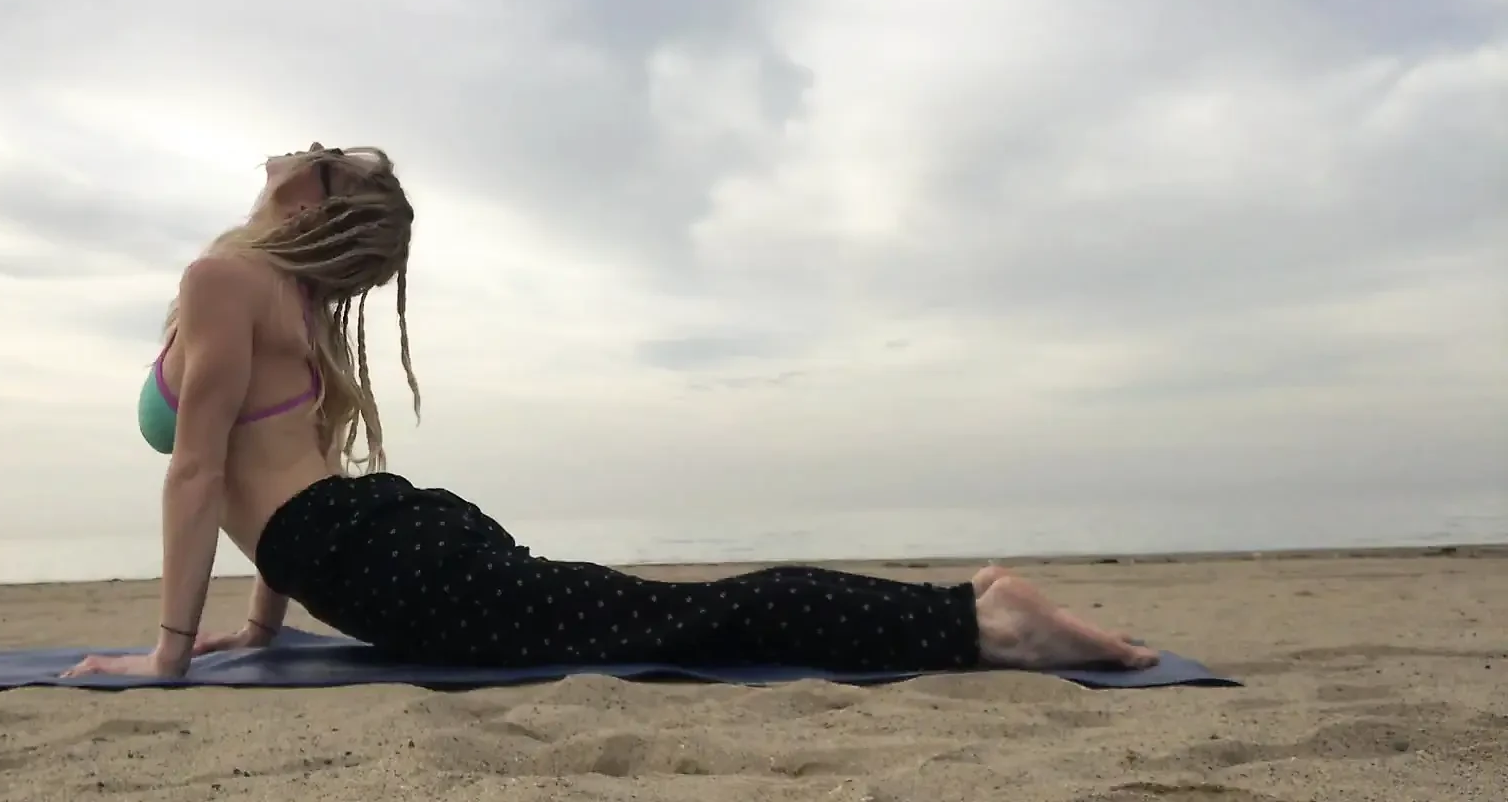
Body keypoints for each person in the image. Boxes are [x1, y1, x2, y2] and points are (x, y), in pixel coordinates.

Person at [65, 145, 1159, 680]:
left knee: (670, 623)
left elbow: (201, 475)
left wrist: (167, 657)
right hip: (372, 540)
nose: (296, 152)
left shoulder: (227, 280)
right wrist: (258, 629)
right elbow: (282, 473)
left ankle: (979, 620)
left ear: (311, 203)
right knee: (643, 613)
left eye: (318, 157)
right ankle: (964, 607)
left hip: (375, 552)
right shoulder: (274, 292)